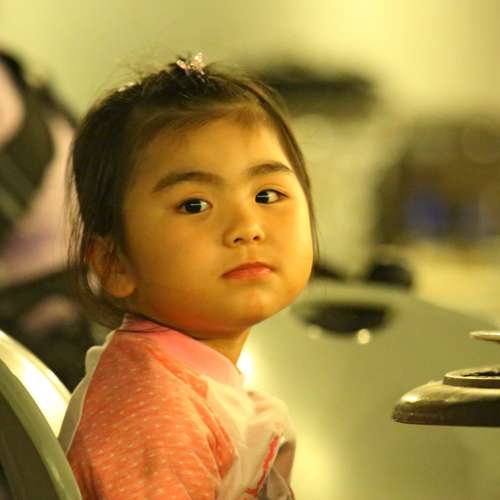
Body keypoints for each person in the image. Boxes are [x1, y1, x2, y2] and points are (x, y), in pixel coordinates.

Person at [58, 53, 318, 499]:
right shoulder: (151, 410)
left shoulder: (185, 383)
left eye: (266, 195)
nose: (247, 227)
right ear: (114, 263)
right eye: (194, 205)